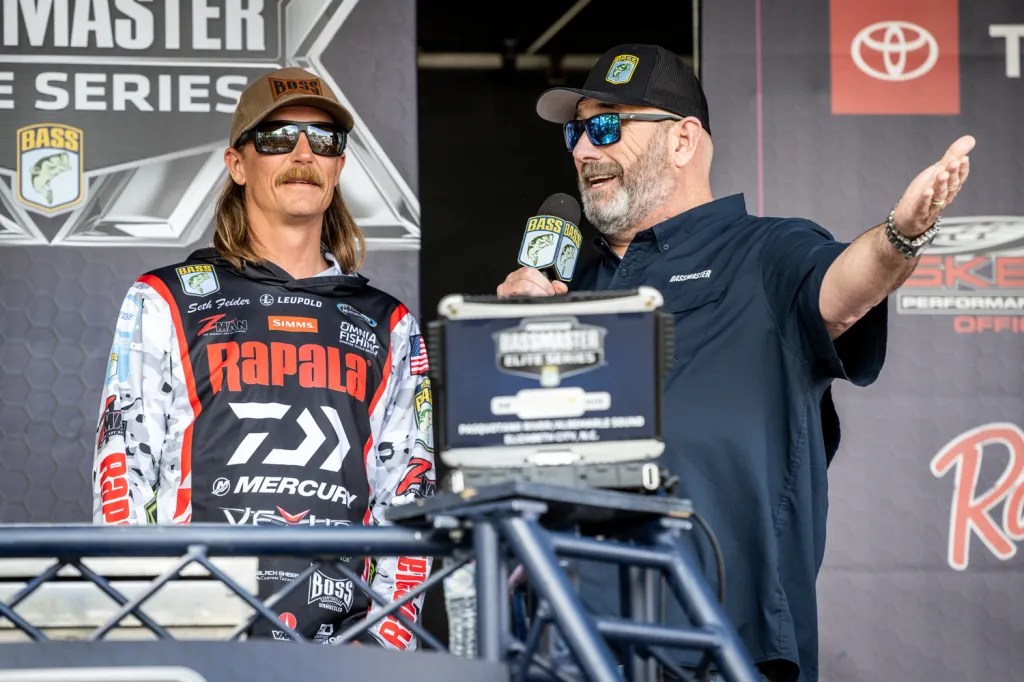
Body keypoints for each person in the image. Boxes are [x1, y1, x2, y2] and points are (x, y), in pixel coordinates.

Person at [497, 44, 972, 681]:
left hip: (722, 646)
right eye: (575, 132)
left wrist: (901, 235)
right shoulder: (567, 285)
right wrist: (507, 338)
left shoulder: (766, 250)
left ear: (683, 140)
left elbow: (844, 291)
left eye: (606, 126)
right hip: (566, 643)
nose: (584, 149)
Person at [92, 66, 435, 650]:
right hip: (190, 632)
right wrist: (140, 624)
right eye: (277, 138)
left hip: (341, 649)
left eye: (322, 140)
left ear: (338, 166)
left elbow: (408, 492)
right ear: (237, 164)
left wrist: (384, 646)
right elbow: (123, 470)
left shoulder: (390, 323)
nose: (303, 153)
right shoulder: (166, 298)